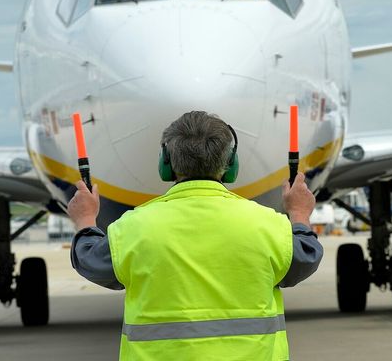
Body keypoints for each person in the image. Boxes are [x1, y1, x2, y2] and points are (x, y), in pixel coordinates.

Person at [69, 111, 323, 360]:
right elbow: (304, 257)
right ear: (231, 165)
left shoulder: (133, 228)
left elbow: (91, 261)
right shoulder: (268, 225)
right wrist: (299, 213)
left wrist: (85, 219)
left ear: (165, 164)